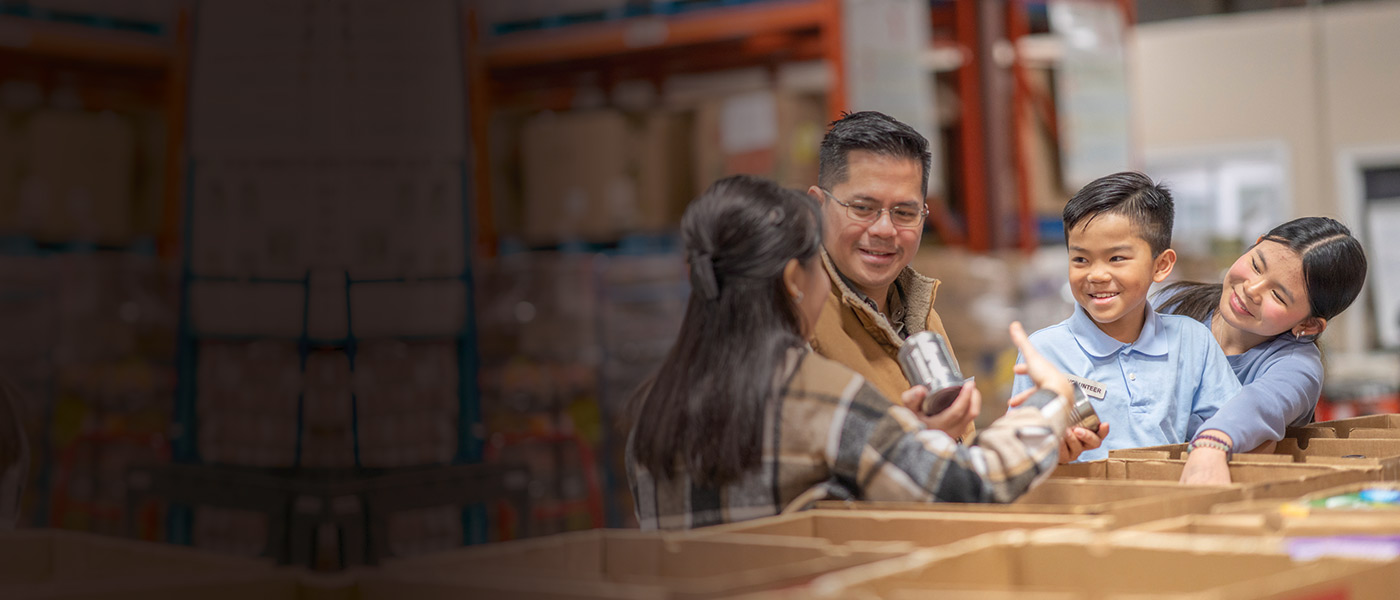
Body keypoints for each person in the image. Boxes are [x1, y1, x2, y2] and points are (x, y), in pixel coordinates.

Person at [626, 174, 1075, 530]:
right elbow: (970, 486)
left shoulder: (653, 408)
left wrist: (908, 436)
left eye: (905, 211)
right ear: (794, 281)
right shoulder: (819, 393)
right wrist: (1050, 403)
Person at [1011, 171, 1240, 462]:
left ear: (1161, 265)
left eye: (1116, 258)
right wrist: (1052, 452)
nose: (1096, 275)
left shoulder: (1192, 340)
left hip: (1169, 488)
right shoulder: (1044, 350)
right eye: (1080, 259)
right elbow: (1020, 452)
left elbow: (1234, 425)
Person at [805, 111, 977, 439]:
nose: (884, 229)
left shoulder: (920, 314)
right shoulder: (796, 318)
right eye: (862, 208)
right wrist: (918, 444)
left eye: (904, 212)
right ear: (817, 207)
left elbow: (962, 446)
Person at [1157, 217, 1367, 485]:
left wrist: (1212, 443)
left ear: (1309, 324)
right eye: (1256, 265)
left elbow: (1262, 403)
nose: (1251, 289)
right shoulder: (1176, 307)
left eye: (1278, 295)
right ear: (1255, 244)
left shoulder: (1298, 365)